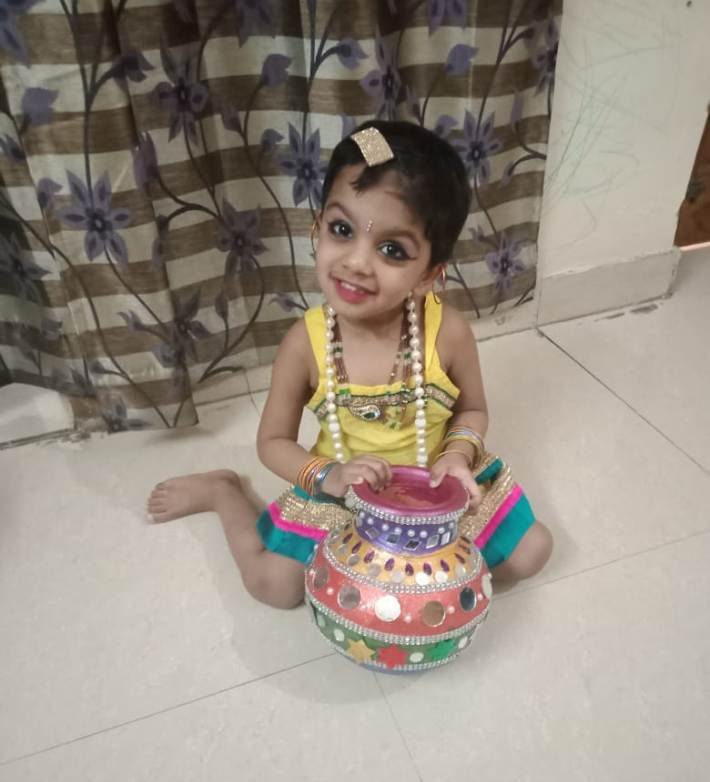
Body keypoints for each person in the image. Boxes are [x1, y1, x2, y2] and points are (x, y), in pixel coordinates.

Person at [146, 120, 552, 609]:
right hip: (346, 492)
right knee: (275, 586)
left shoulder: (447, 332)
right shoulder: (305, 344)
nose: (357, 262)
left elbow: (473, 410)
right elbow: (272, 442)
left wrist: (457, 456)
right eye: (342, 230)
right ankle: (223, 491)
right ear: (316, 227)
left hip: (434, 488)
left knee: (530, 553)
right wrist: (330, 477)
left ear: (429, 274)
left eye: (392, 250)